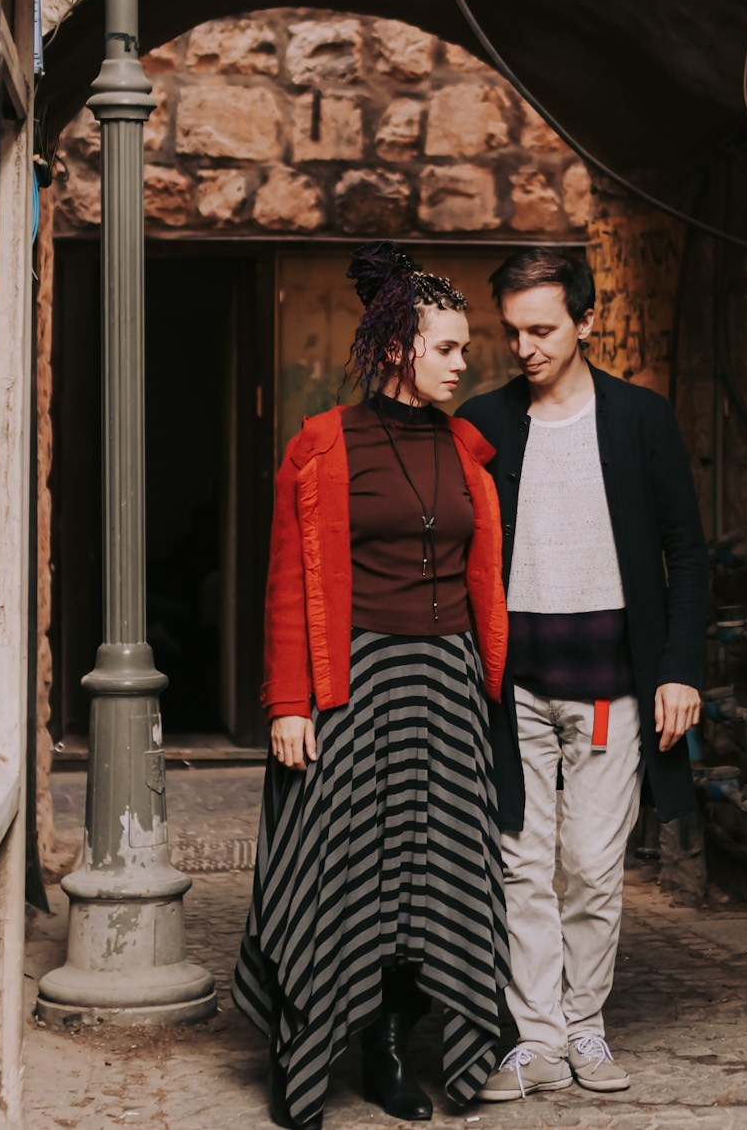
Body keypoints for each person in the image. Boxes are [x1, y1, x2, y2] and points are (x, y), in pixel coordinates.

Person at [234, 243, 512, 1130]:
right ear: (399, 348)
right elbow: (287, 582)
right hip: (350, 687)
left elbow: (482, 573)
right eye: (449, 348)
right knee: (338, 872)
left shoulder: (469, 447)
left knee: (430, 877)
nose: (464, 362)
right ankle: (305, 1048)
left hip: (446, 688)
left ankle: (391, 1051)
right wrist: (286, 703)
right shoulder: (322, 445)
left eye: (466, 349)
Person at [457, 247, 707, 1102]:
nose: (524, 346)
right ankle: (535, 1038)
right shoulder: (485, 422)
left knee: (594, 867)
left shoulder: (642, 419)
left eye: (543, 329)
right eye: (513, 331)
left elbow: (688, 554)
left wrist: (678, 670)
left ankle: (585, 1023)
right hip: (515, 687)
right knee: (521, 862)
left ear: (587, 322)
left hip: (613, 689)